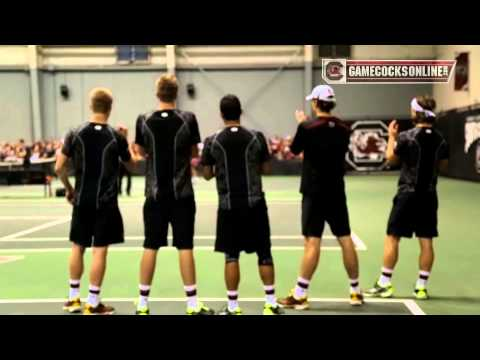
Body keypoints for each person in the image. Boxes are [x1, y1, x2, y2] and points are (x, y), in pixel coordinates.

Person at [133, 74, 213, 315]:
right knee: (185, 246)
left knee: (150, 246)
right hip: (182, 195)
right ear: (175, 93)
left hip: (155, 195)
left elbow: (140, 151)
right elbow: (192, 152)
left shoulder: (143, 120)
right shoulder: (188, 119)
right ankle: (191, 304)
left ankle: (142, 304)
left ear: (158, 93)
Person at [278, 85, 364, 310]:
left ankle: (300, 295)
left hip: (314, 192)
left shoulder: (307, 126)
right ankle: (355, 292)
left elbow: (294, 151)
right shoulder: (345, 128)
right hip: (336, 190)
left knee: (312, 242)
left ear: (316, 103)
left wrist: (300, 124)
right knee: (345, 238)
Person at [56, 88, 136, 315]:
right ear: (110, 108)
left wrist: (69, 189)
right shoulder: (115, 136)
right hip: (106, 203)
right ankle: (92, 303)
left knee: (78, 246)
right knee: (99, 251)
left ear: (91, 106)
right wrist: (126, 138)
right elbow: (132, 164)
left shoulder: (74, 132)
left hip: (82, 200)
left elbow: (59, 166)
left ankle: (73, 299)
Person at [201, 95, 284, 316]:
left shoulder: (212, 140)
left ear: (221, 114)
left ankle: (233, 307)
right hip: (255, 205)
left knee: (231, 256)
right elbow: (267, 170)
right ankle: (271, 303)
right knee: (264, 254)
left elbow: (206, 175)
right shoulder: (256, 137)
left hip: (228, 207)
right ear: (241, 112)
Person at [366, 96, 449, 300]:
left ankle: (385, 284)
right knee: (426, 241)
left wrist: (391, 136)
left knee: (393, 237)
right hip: (429, 196)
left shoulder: (406, 137)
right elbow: (443, 166)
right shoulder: (441, 139)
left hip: (407, 196)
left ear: (416, 113)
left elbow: (391, 159)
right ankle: (421, 287)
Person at [116, 125, 132, 196]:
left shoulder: (127, 141)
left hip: (127, 162)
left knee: (129, 177)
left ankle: (128, 191)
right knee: (120, 177)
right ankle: (119, 191)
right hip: (120, 162)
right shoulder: (117, 140)